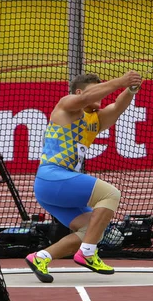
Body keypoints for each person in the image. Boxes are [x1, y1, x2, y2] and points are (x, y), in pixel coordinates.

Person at [25, 70, 142, 283]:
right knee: (110, 194)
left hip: (55, 186)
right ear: (79, 91)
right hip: (53, 177)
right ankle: (88, 253)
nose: (99, 97)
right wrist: (121, 81)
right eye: (95, 92)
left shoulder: (93, 120)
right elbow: (85, 99)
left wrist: (130, 89)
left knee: (91, 229)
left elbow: (117, 107)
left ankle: (41, 257)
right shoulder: (67, 105)